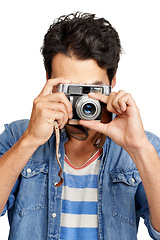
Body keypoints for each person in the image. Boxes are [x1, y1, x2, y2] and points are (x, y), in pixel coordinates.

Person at [0, 12, 160, 240]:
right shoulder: (18, 136)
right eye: (72, 90)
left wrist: (139, 149)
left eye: (92, 90)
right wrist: (30, 140)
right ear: (49, 80)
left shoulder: (144, 146)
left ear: (112, 82)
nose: (84, 103)